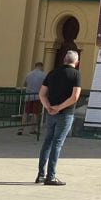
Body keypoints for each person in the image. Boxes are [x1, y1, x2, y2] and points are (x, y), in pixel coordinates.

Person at [36, 50, 81, 186]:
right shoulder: (76, 74)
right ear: (76, 62)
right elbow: (75, 97)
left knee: (47, 142)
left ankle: (40, 175)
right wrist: (60, 107)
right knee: (57, 143)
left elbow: (42, 94)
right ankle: (51, 176)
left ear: (64, 60)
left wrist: (49, 107)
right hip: (65, 113)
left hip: (51, 113)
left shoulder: (52, 73)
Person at [19, 62, 46, 136]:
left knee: (26, 112)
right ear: (41, 66)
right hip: (37, 96)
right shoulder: (43, 75)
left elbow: (25, 84)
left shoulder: (29, 74)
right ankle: (32, 129)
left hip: (28, 95)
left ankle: (21, 128)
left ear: (35, 66)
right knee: (35, 113)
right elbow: (45, 86)